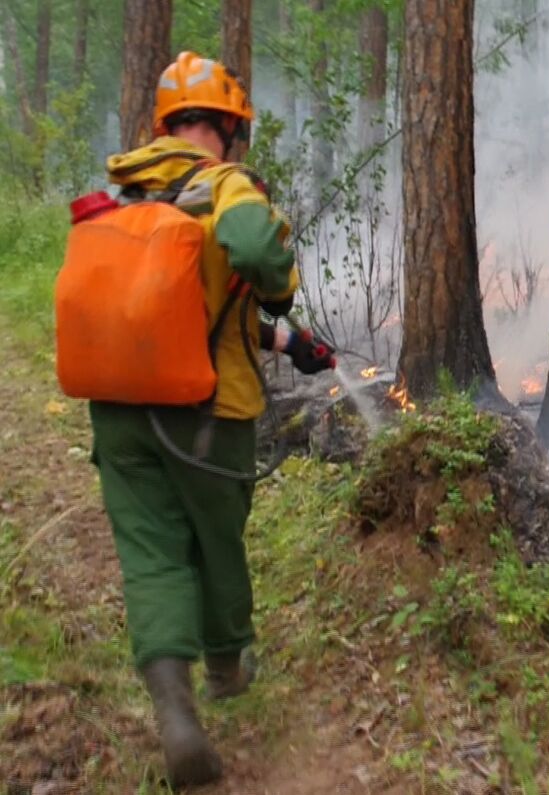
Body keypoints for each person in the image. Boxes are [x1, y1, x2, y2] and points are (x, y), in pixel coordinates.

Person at [89, 52, 333, 786]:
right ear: (229, 127)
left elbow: (179, 306)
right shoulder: (225, 183)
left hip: (119, 414)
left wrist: (287, 341)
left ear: (167, 122)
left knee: (152, 558)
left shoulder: (128, 188)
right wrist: (280, 288)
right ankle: (225, 664)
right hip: (207, 411)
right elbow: (256, 252)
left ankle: (174, 709)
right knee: (216, 537)